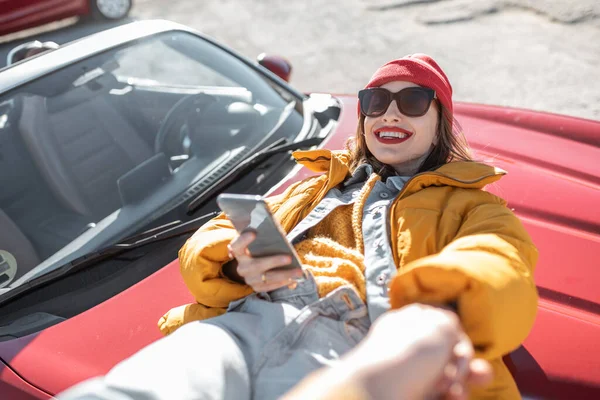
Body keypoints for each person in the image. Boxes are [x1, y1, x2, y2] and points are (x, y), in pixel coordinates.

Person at [58, 53, 538, 399]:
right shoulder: (311, 187)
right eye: (375, 100)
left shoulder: (470, 205)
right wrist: (235, 256)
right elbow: (215, 233)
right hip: (248, 322)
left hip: (364, 341)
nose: (390, 112)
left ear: (441, 123)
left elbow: (500, 259)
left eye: (413, 100)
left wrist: (437, 306)